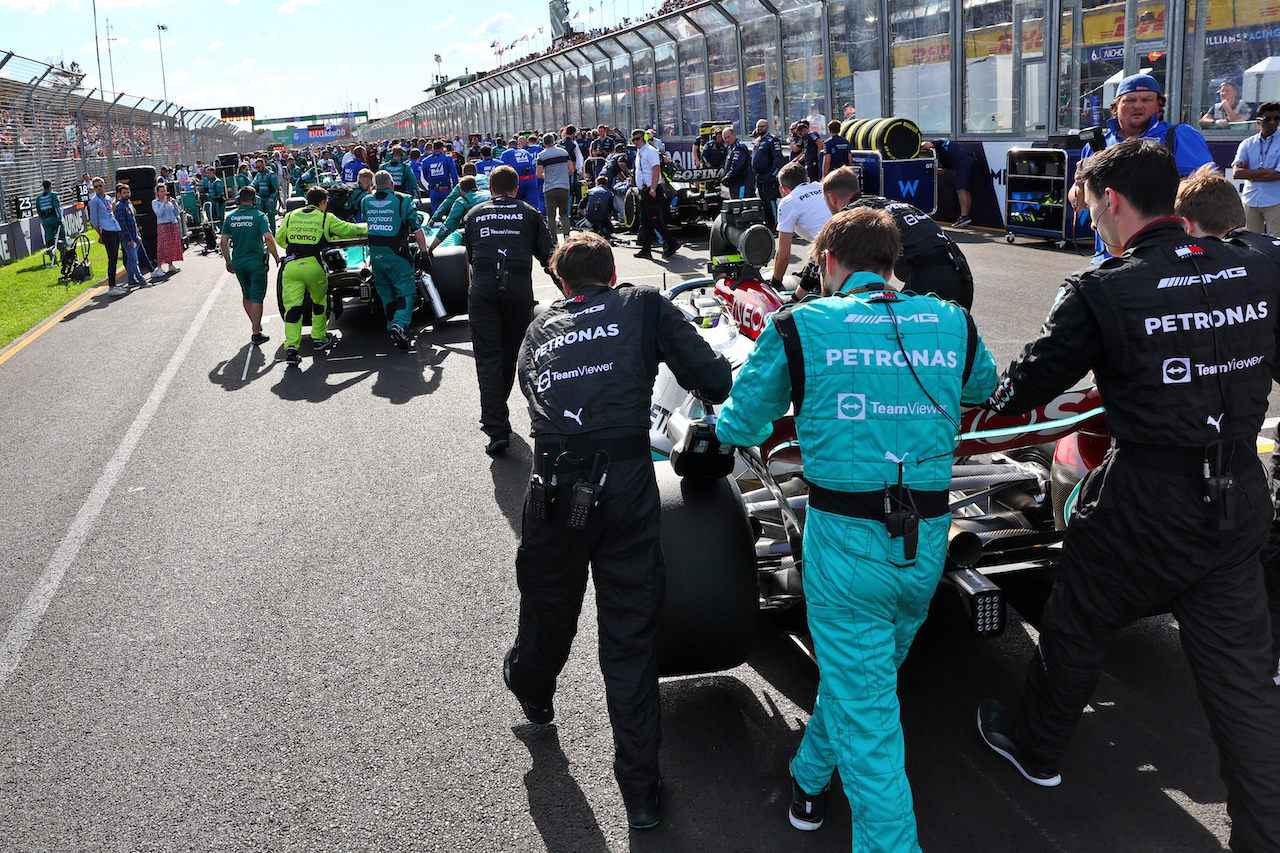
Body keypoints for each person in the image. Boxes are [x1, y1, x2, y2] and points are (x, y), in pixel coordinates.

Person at [975, 139, 1280, 853]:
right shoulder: (1262, 266)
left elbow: (1022, 390)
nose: (1092, 228)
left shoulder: (1104, 287)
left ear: (1112, 201)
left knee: (1078, 618)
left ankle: (1035, 746)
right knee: (1243, 684)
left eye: (1091, 212)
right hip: (1239, 492)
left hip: (1144, 499)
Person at [715, 205, 997, 849]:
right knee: (862, 686)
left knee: (868, 713)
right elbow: (983, 386)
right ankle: (808, 780)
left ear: (829, 264)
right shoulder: (952, 319)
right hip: (926, 547)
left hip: (844, 547)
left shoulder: (801, 324)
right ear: (892, 264)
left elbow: (740, 425)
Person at [505, 232, 733, 831]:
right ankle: (640, 794)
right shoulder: (643, 304)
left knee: (547, 607)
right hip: (625, 483)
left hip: (553, 487)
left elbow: (530, 393)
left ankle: (532, 689)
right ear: (612, 272)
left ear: (561, 284)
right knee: (629, 635)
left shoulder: (538, 327)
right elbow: (711, 375)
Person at [1172, 164, 1280, 682]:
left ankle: (1267, 659)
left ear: (1186, 225)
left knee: (1271, 538)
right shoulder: (1269, 250)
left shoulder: (1231, 266)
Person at [1068, 74, 1213, 262]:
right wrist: (1080, 184)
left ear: (1158, 106)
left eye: (1146, 100)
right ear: (1116, 106)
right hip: (1108, 259)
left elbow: (1204, 188)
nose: (1138, 105)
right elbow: (1079, 205)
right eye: (1130, 100)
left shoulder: (1179, 135)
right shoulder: (1098, 145)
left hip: (1164, 255)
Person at [462, 165, 556, 454]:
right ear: (516, 189)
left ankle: (496, 425)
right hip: (517, 290)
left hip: (483, 289)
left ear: (490, 189)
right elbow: (551, 257)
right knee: (508, 355)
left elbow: (471, 258)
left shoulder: (474, 214)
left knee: (489, 357)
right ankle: (495, 416)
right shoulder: (528, 212)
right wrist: (575, 294)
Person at [823, 166, 974, 310]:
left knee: (898, 331)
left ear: (832, 199)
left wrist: (802, 294)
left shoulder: (854, 213)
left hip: (931, 278)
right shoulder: (888, 202)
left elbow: (823, 259)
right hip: (962, 273)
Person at [275, 185, 369, 366]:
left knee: (292, 308)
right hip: (313, 266)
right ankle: (318, 338)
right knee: (319, 302)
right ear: (322, 202)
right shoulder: (326, 217)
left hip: (291, 267)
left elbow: (280, 239)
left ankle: (292, 348)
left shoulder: (290, 216)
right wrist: (367, 227)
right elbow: (348, 230)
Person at [361, 170, 429, 351]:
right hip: (398, 256)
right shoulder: (403, 200)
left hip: (376, 256)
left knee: (386, 294)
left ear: (375, 186)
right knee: (407, 293)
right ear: (392, 184)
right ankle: (399, 325)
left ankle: (392, 327)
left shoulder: (365, 201)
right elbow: (417, 229)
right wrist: (424, 254)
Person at [220, 186, 281, 346]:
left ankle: (255, 324)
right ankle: (256, 332)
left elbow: (223, 241)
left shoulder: (230, 218)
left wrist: (228, 260)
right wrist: (276, 257)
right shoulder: (259, 216)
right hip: (256, 262)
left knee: (246, 294)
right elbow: (268, 238)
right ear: (255, 200)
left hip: (239, 261)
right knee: (257, 296)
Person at [770, 161, 832, 296]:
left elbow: (783, 255)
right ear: (808, 180)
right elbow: (818, 230)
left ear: (783, 189)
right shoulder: (820, 186)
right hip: (849, 241)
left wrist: (775, 282)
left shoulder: (788, 202)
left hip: (831, 254)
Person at [1231, 101, 1280, 236]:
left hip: (1276, 200)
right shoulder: (1247, 144)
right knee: (1251, 244)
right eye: (1268, 118)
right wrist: (1268, 170)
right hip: (1250, 200)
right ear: (1258, 121)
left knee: (1276, 244)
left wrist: (1250, 175)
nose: (1273, 122)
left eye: (1277, 118)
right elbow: (1237, 174)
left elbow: (1277, 175)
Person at [632, 128, 680, 260]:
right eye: (633, 139)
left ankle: (672, 243)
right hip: (643, 191)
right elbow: (640, 172)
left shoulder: (650, 152)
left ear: (644, 139)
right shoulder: (639, 153)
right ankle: (646, 249)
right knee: (645, 222)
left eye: (638, 139)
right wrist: (639, 188)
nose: (635, 141)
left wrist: (652, 189)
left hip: (652, 190)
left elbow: (656, 170)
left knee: (655, 221)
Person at [114, 183, 163, 287]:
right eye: (124, 193)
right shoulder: (119, 206)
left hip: (135, 236)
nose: (127, 194)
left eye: (128, 192)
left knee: (131, 260)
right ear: (120, 194)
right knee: (134, 260)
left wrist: (137, 236)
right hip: (127, 238)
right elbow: (123, 225)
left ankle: (131, 279)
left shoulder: (129, 205)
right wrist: (129, 239)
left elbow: (133, 222)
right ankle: (141, 280)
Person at [921, 139, 976, 226]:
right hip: (969, 160)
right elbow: (943, 171)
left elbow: (926, 145)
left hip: (962, 162)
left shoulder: (938, 143)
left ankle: (964, 216)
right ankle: (965, 217)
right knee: (966, 190)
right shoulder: (945, 154)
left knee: (961, 190)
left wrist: (920, 147)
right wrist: (930, 171)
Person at [88, 176, 125, 297]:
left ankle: (114, 284)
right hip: (107, 230)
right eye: (96, 186)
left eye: (100, 185)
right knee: (112, 259)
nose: (98, 188)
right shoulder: (94, 201)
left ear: (104, 185)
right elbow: (94, 221)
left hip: (115, 228)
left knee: (116, 257)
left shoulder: (108, 198)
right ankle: (111, 287)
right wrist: (101, 234)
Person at [427, 175, 484, 252]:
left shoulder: (462, 201)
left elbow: (448, 226)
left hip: (479, 238)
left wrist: (430, 249)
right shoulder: (490, 193)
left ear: (461, 191)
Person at [537, 132, 575, 245]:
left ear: (544, 143)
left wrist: (546, 175)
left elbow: (539, 174)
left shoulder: (542, 155)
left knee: (551, 216)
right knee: (564, 214)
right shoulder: (563, 152)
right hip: (564, 186)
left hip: (549, 188)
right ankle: (567, 236)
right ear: (554, 141)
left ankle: (554, 240)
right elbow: (572, 170)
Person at [752, 119, 787, 232]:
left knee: (770, 201)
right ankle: (768, 225)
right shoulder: (758, 141)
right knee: (763, 202)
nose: (759, 129)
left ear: (767, 127)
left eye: (762, 126)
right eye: (758, 127)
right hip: (759, 176)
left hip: (768, 176)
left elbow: (778, 159)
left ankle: (776, 226)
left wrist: (773, 174)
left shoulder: (772, 140)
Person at [152, 181, 183, 275]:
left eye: (164, 191)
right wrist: (163, 204)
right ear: (157, 192)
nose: (164, 193)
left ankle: (170, 265)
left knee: (172, 245)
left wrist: (174, 204)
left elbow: (176, 213)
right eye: (161, 191)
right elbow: (158, 214)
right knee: (162, 246)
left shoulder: (169, 202)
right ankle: (160, 267)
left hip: (172, 224)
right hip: (163, 225)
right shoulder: (155, 202)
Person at [423, 140, 460, 215]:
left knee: (436, 215)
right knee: (450, 214)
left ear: (433, 148)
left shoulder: (425, 161)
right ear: (442, 148)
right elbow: (454, 175)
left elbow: (425, 176)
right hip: (446, 189)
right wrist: (456, 188)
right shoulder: (448, 158)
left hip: (433, 190)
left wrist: (432, 181)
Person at [721, 125, 755, 200]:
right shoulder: (730, 148)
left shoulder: (739, 148)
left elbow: (737, 166)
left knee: (741, 205)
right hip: (734, 184)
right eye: (725, 138)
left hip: (742, 183)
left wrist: (728, 177)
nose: (727, 140)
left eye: (729, 137)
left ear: (735, 135)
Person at [251, 158, 280, 233]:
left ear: (263, 165)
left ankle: (273, 234)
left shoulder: (271, 174)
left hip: (269, 198)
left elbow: (275, 188)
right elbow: (253, 184)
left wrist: (272, 198)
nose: (257, 169)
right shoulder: (258, 175)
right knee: (259, 216)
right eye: (256, 167)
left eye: (258, 167)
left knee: (271, 217)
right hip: (261, 198)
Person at [35, 179, 63, 252]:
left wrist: (44, 218)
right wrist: (60, 219)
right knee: (61, 235)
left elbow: (38, 211)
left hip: (45, 220)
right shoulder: (53, 195)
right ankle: (64, 254)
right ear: (50, 186)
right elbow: (57, 207)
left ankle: (51, 255)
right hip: (55, 219)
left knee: (49, 238)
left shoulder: (39, 198)